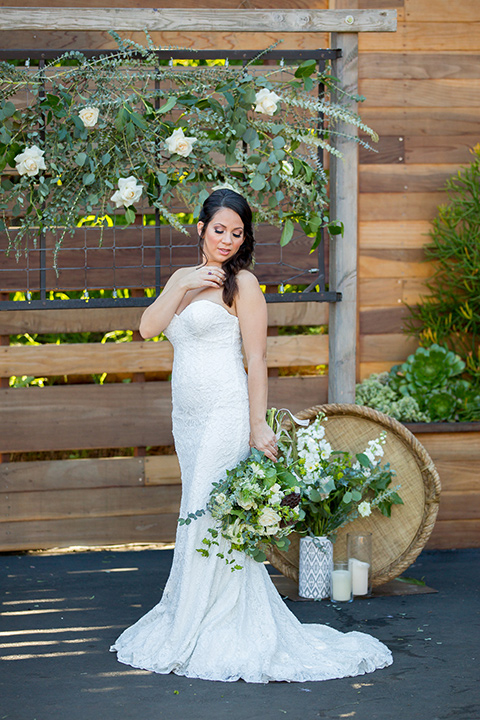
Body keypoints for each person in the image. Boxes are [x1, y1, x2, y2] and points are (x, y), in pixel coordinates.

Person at [110, 188, 393, 683]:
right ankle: (191, 614)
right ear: (200, 229)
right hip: (188, 418)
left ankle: (205, 624)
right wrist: (184, 285)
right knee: (195, 510)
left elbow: (257, 359)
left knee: (208, 507)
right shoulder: (183, 278)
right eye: (218, 229)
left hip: (225, 412)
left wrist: (258, 422)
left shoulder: (243, 284)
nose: (226, 240)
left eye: (236, 232)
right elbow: (147, 328)